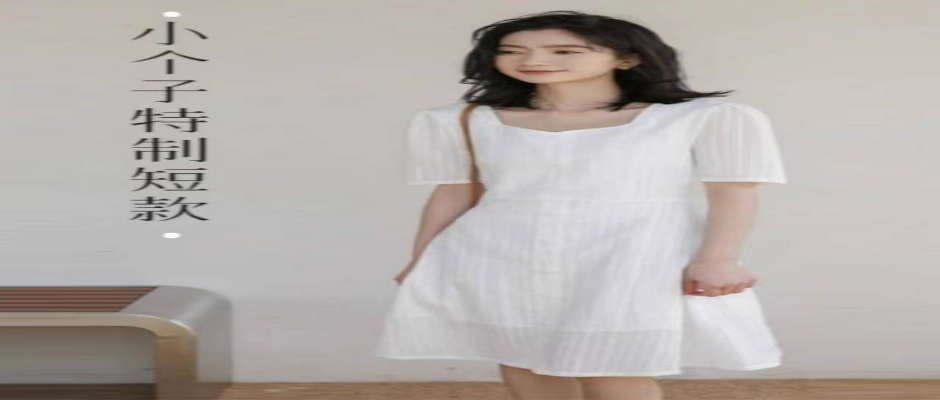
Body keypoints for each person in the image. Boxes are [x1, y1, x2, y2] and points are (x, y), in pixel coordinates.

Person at [375, 10, 788, 400]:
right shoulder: (459, 120)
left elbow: (733, 192)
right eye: (512, 51)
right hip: (500, 252)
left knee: (614, 364)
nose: (533, 61)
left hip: (633, 254)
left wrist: (719, 259)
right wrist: (422, 260)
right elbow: (453, 193)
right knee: (522, 355)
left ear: (627, 58)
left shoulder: (699, 117)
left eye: (563, 51)